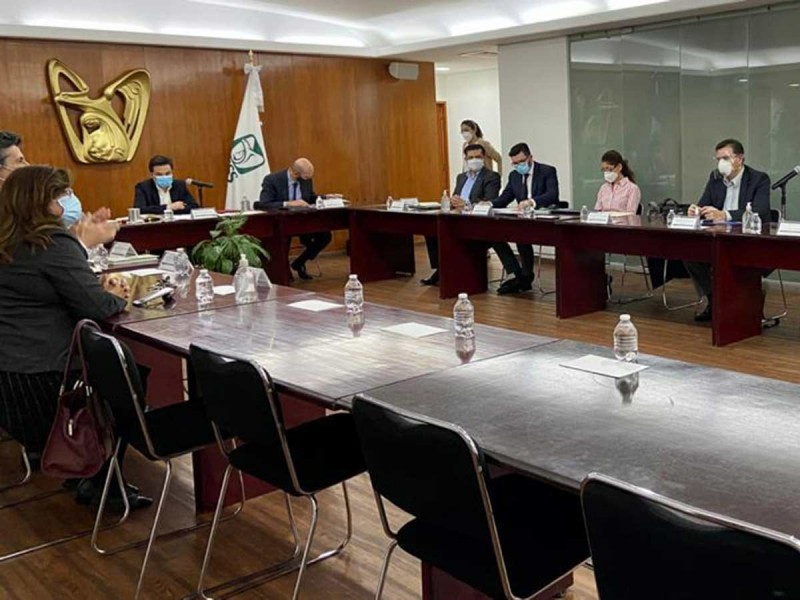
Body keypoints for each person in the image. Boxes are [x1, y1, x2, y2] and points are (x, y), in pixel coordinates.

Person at [0, 165, 151, 509]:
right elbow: (97, 306)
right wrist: (116, 293)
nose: (68, 202)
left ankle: (82, 471)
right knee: (129, 382)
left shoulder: (9, 239)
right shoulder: (53, 242)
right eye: (62, 195)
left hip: (10, 383)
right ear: (44, 202)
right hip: (45, 384)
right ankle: (101, 483)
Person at [685, 139, 771, 322]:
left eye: (725, 158)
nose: (720, 163)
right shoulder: (715, 177)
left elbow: (761, 211)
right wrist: (696, 210)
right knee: (690, 254)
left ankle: (741, 307)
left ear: (739, 159)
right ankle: (715, 301)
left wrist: (725, 215)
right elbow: (704, 204)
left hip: (747, 238)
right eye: (718, 159)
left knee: (739, 261)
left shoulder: (758, 179)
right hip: (718, 237)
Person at [421, 144, 501, 285]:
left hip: (476, 222)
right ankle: (441, 269)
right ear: (466, 159)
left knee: (453, 234)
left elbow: (490, 200)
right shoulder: (461, 177)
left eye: (478, 157)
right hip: (457, 218)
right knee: (432, 231)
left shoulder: (491, 177)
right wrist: (453, 201)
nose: (474, 160)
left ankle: (450, 272)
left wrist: (467, 204)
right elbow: (455, 197)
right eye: (471, 157)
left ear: (484, 158)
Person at [490, 143, 560, 295]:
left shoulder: (547, 171)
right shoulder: (514, 175)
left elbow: (552, 195)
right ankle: (518, 274)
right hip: (522, 221)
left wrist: (532, 202)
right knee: (495, 234)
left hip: (542, 220)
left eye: (521, 161)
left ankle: (525, 276)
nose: (518, 166)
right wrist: (488, 204)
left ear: (530, 158)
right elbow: (505, 198)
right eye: (515, 163)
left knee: (521, 233)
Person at [254, 157, 331, 280]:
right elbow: (264, 204)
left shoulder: (306, 180)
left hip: (303, 220)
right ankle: (282, 273)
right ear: (295, 174)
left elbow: (309, 198)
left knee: (325, 236)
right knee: (282, 238)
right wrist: (288, 203)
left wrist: (326, 197)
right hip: (281, 222)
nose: (308, 180)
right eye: (306, 177)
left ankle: (299, 263)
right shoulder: (272, 180)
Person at [133, 155, 198, 215]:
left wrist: (178, 209)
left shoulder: (179, 185)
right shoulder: (143, 187)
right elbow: (140, 209)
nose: (164, 177)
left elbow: (194, 206)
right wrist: (168, 207)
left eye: (167, 173)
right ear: (152, 175)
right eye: (159, 174)